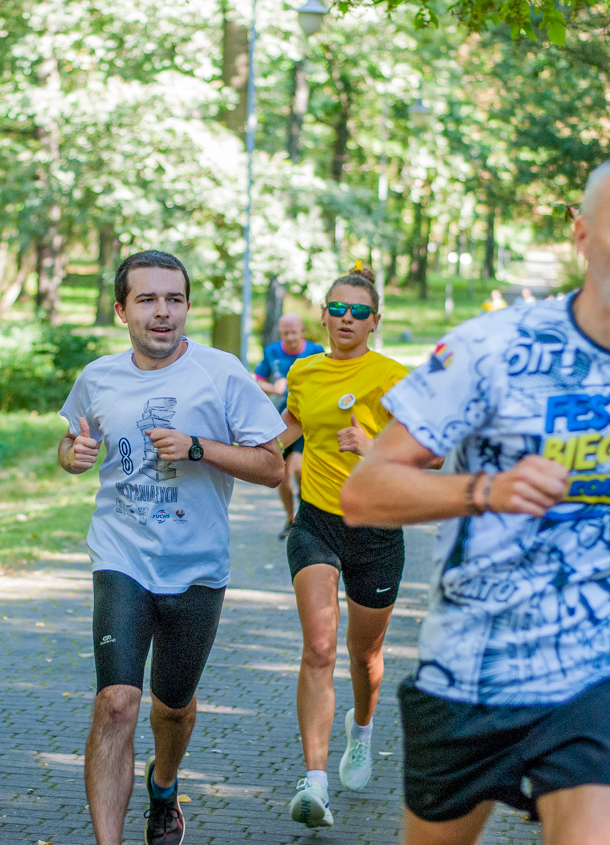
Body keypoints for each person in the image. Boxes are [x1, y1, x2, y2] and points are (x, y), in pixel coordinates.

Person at [339, 150, 610, 845]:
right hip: (472, 665)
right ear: (583, 235)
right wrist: (488, 489)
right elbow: (364, 493)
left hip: (608, 660)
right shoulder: (489, 349)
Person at [58, 249, 286, 845]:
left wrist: (197, 447)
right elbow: (72, 440)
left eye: (174, 299)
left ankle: (164, 787)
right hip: (121, 557)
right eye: (147, 300)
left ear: (186, 307)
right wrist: (72, 455)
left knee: (173, 709)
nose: (162, 312)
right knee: (116, 703)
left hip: (197, 566)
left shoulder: (222, 373)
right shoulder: (98, 376)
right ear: (121, 310)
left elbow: (272, 467)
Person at [277, 266, 410, 828]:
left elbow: (431, 453)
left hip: (376, 531)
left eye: (359, 312)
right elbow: (287, 426)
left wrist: (373, 446)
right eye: (337, 309)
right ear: (324, 315)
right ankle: (314, 782)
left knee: (365, 655)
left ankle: (361, 730)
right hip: (317, 524)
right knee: (319, 646)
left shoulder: (394, 377)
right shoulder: (304, 370)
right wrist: (221, 449)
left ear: (374, 321)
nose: (346, 319)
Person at [254, 312, 325, 538]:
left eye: (294, 332)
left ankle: (307, 517)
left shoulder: (315, 351)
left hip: (305, 420)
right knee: (282, 475)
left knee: (300, 470)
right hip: (280, 420)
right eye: (285, 333)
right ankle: (291, 519)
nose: (290, 337)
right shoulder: (272, 351)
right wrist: (273, 388)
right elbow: (256, 378)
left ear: (302, 331)